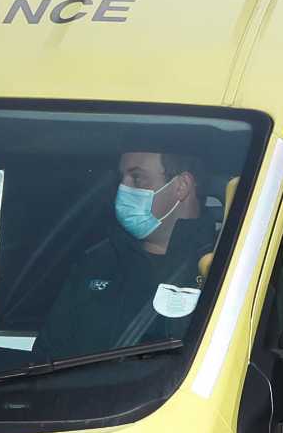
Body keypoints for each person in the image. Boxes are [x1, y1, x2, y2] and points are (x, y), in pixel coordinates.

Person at [41, 145, 215, 355]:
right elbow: (48, 353)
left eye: (137, 178)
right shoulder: (98, 261)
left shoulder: (222, 265)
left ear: (181, 186)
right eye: (121, 178)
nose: (123, 188)